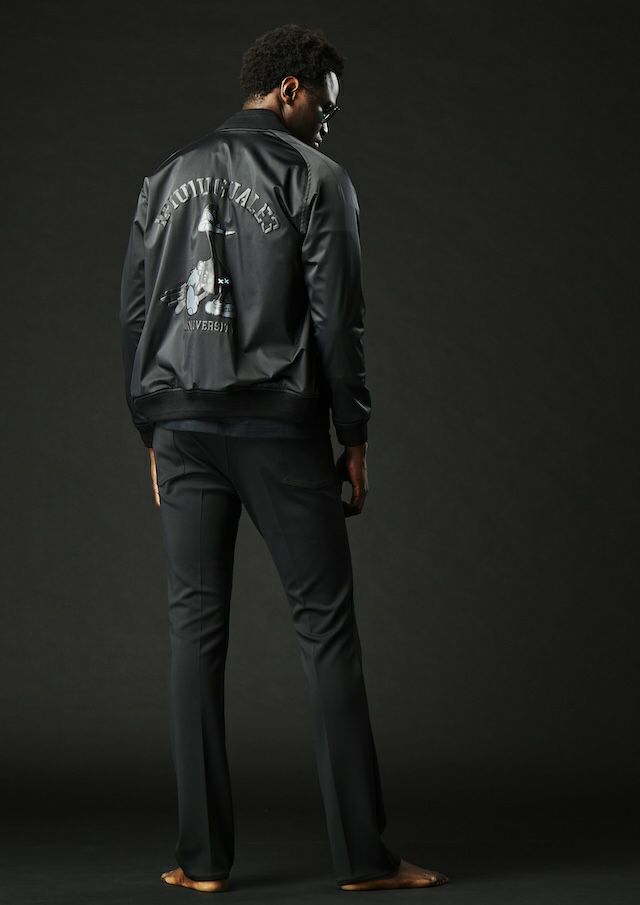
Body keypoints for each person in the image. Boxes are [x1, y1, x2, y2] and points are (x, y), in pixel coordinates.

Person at [119, 22, 449, 894]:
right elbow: (339, 319)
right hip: (277, 426)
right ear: (291, 89)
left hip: (183, 427)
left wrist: (151, 426)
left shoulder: (166, 176)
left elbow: (136, 315)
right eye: (324, 109)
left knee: (194, 635)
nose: (328, 126)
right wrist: (354, 431)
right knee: (325, 631)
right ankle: (363, 858)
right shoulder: (316, 177)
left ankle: (202, 861)